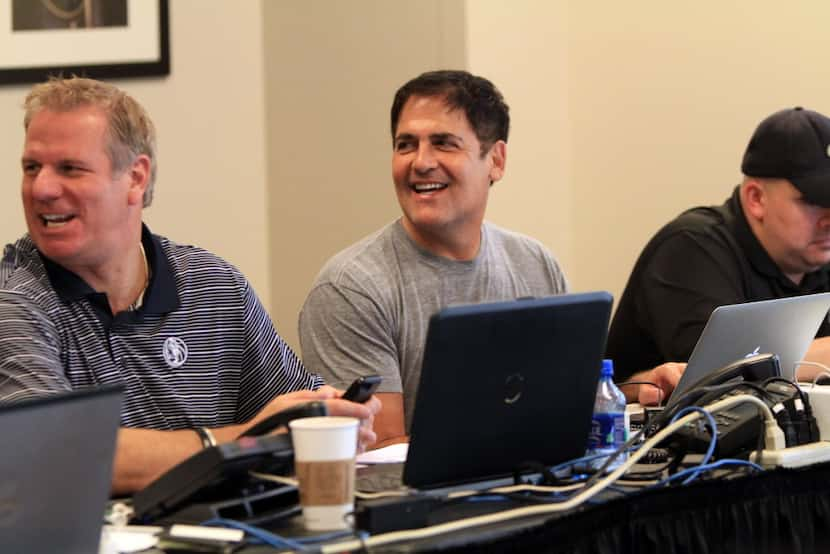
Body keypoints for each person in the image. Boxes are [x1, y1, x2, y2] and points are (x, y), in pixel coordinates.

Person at [0, 77, 379, 495]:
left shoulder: (215, 286)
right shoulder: (15, 300)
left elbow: (291, 415)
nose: (42, 189)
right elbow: (53, 456)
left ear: (135, 177)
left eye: (69, 168)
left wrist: (328, 416)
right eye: (31, 167)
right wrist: (247, 440)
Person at [299, 70, 680, 448]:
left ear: (496, 160)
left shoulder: (535, 263)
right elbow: (377, 458)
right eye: (405, 144)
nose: (420, 162)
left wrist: (638, 390)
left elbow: (567, 404)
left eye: (443, 143)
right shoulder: (351, 288)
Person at [607, 106, 830, 384]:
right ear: (756, 198)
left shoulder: (817, 256)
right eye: (814, 202)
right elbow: (720, 372)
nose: (828, 219)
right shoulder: (690, 248)